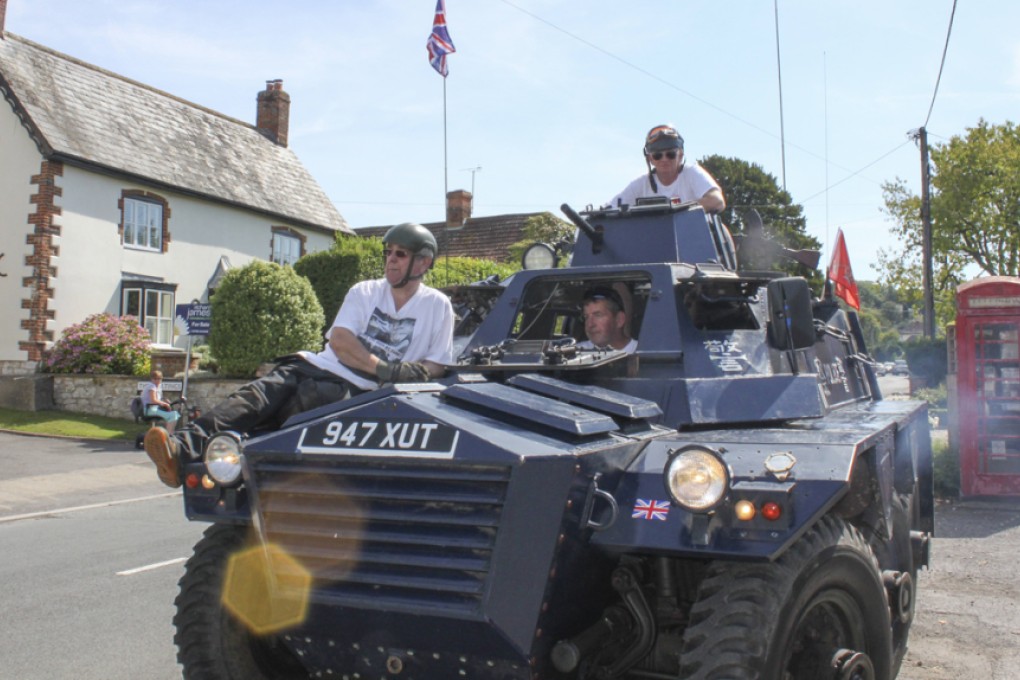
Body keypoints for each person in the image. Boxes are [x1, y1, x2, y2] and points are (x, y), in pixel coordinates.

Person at [143, 222, 455, 488]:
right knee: (255, 397)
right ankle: (179, 450)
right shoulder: (365, 291)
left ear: (423, 263)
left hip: (363, 392)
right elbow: (342, 341)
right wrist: (384, 368)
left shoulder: (438, 306)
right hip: (321, 365)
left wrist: (413, 374)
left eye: (400, 254)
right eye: (388, 252)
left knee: (302, 406)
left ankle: (237, 465)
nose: (390, 260)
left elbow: (438, 363)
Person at [609, 124, 726, 214]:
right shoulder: (640, 185)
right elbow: (610, 208)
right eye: (657, 155)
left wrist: (678, 211)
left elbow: (717, 201)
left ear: (680, 156)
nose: (664, 159)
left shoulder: (692, 173)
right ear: (650, 159)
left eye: (670, 154)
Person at [577, 286, 638, 354]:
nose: (590, 324)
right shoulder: (576, 353)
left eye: (598, 315)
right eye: (586, 317)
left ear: (619, 320)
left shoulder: (642, 352)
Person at [141, 369, 180, 433]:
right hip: (149, 410)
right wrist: (165, 404)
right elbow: (153, 400)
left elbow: (158, 398)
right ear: (152, 379)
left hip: (153, 409)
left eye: (159, 379)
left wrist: (165, 400)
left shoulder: (157, 387)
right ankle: (168, 436)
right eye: (155, 379)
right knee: (173, 415)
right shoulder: (152, 386)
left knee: (174, 414)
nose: (157, 380)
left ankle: (168, 433)